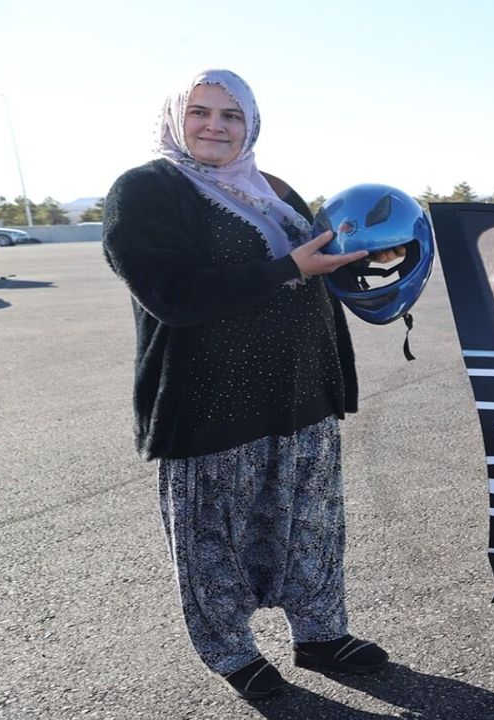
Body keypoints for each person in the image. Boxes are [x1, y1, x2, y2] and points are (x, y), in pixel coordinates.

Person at [102, 69, 390, 701]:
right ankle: (232, 653)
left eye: (231, 115)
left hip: (301, 392)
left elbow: (318, 264)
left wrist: (369, 259)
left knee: (312, 527)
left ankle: (321, 635)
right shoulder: (146, 190)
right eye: (200, 112)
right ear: (176, 119)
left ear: (251, 124)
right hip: (210, 402)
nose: (215, 126)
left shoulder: (276, 190)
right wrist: (287, 268)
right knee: (213, 540)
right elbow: (170, 295)